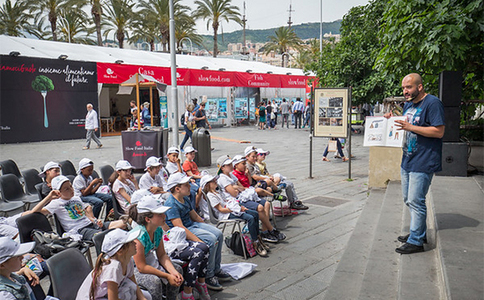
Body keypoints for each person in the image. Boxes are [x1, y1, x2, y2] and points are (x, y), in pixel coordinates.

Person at [385, 73, 445, 255]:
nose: (405, 91)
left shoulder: (433, 103)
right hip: (408, 158)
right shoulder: (409, 105)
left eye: (409, 87)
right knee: (408, 199)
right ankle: (418, 231)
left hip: (424, 159)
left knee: (416, 200)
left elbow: (439, 131)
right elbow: (405, 124)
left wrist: (411, 127)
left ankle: (416, 241)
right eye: (404, 88)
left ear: (420, 87)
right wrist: (390, 119)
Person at [163, 173, 231, 291]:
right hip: (181, 231)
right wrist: (198, 239)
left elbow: (194, 216)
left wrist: (207, 227)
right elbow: (179, 227)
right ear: (177, 188)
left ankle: (216, 268)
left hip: (191, 225)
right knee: (210, 240)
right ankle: (208, 275)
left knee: (218, 234)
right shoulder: (171, 204)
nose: (190, 186)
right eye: (186, 184)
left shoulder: (185, 199)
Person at [127, 197, 188, 300]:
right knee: (154, 281)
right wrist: (167, 276)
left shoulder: (157, 230)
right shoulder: (138, 237)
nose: (164, 216)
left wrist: (173, 272)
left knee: (177, 269)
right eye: (160, 214)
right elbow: (141, 267)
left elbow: (162, 255)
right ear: (148, 219)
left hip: (147, 262)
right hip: (131, 270)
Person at [31, 176, 127, 241]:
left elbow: (84, 212)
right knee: (106, 237)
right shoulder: (56, 203)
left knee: (123, 224)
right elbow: (35, 211)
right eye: (66, 189)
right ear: (58, 192)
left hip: (91, 224)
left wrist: (94, 220)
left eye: (71, 187)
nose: (71, 190)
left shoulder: (76, 198)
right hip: (80, 230)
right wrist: (49, 197)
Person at [202, 174, 268, 257]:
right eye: (213, 181)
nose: (215, 181)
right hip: (225, 214)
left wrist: (237, 206)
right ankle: (255, 242)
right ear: (207, 185)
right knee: (250, 218)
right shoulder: (210, 195)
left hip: (231, 209)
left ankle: (258, 237)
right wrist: (237, 209)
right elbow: (221, 210)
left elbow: (226, 202)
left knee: (255, 214)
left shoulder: (217, 192)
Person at [76, 228, 151, 300]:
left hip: (109, 293)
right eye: (131, 242)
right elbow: (113, 298)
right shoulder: (113, 268)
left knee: (147, 296)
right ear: (120, 251)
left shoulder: (128, 260)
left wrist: (143, 298)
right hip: (95, 298)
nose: (135, 243)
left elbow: (134, 283)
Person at [229, 155, 286, 243]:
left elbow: (247, 185)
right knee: (260, 206)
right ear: (236, 165)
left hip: (247, 194)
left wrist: (247, 175)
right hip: (241, 199)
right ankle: (271, 229)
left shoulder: (237, 175)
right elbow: (236, 192)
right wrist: (239, 188)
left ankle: (264, 231)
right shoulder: (230, 176)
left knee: (266, 203)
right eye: (243, 164)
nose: (245, 166)